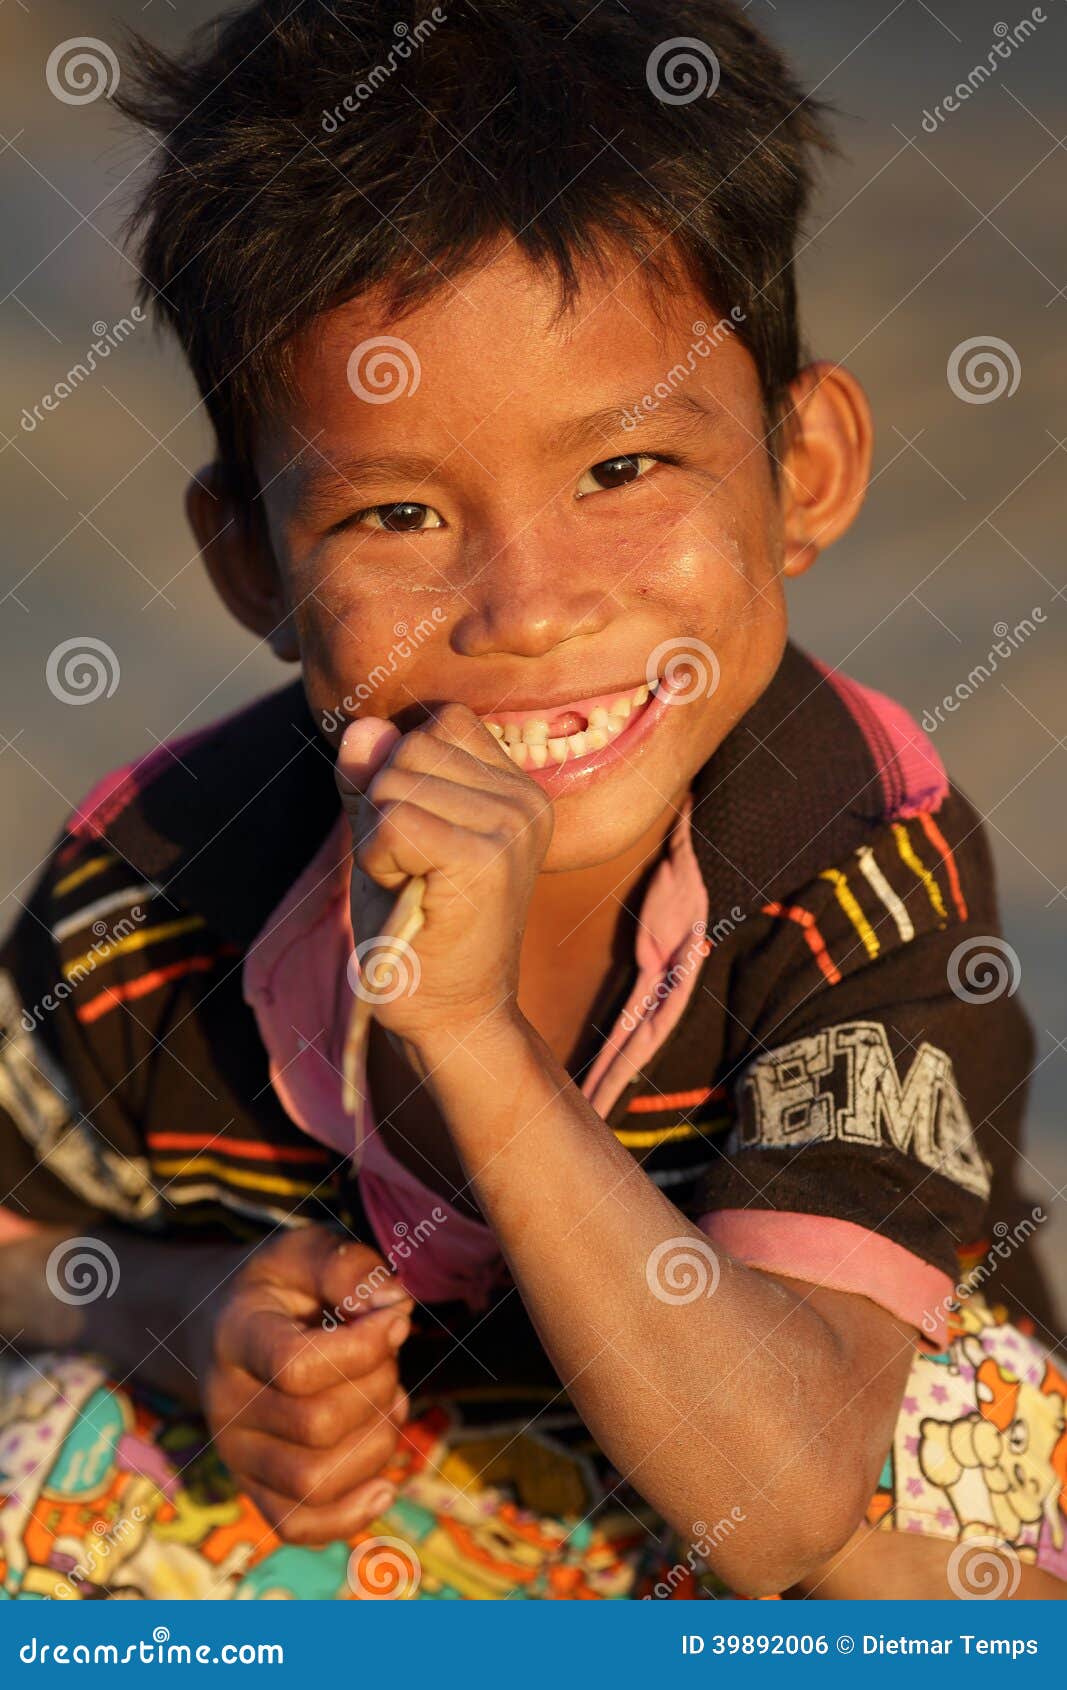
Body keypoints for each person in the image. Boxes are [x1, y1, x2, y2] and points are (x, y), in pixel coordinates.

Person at [1, 0, 1063, 1602]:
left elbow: (780, 1501)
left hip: (758, 1500)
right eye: (403, 511)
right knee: (41, 1441)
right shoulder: (155, 885)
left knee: (957, 1450)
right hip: (399, 1550)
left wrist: (474, 1042)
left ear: (806, 470)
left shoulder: (853, 871)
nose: (530, 608)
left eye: (624, 473)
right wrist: (189, 1314)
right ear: (252, 564)